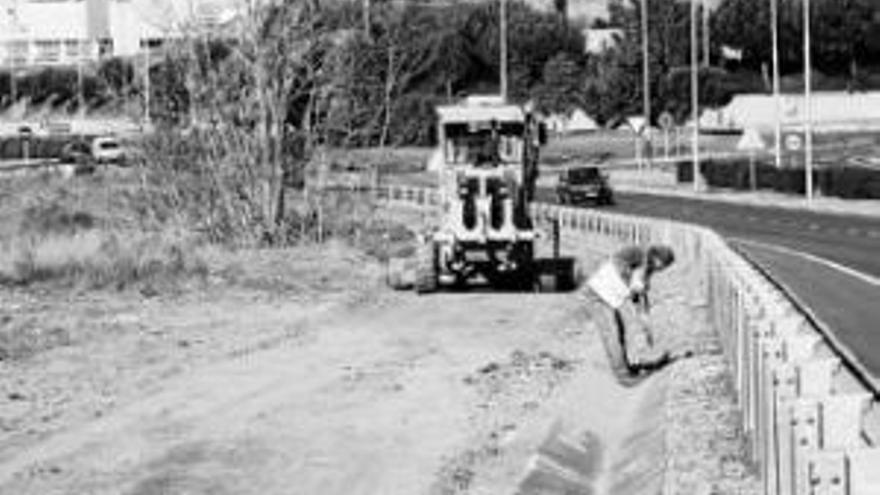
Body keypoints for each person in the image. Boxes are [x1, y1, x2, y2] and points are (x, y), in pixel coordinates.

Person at [586, 244, 676, 377]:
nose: (662, 269)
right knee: (612, 332)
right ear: (657, 258)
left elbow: (640, 295)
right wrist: (633, 285)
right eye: (663, 265)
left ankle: (625, 365)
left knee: (620, 330)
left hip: (611, 295)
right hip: (600, 293)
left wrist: (646, 323)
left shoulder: (646, 266)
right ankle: (621, 371)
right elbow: (628, 277)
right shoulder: (640, 258)